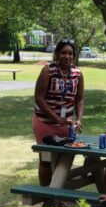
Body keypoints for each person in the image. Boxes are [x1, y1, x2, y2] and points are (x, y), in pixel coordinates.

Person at [32, 39, 84, 186]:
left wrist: (78, 119)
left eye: (70, 53)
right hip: (45, 123)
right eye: (63, 53)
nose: (66, 56)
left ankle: (58, 195)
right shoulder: (48, 70)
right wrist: (56, 118)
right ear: (57, 54)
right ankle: (46, 196)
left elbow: (79, 99)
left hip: (66, 124)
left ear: (73, 56)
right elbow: (39, 98)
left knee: (64, 159)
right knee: (46, 159)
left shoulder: (78, 73)